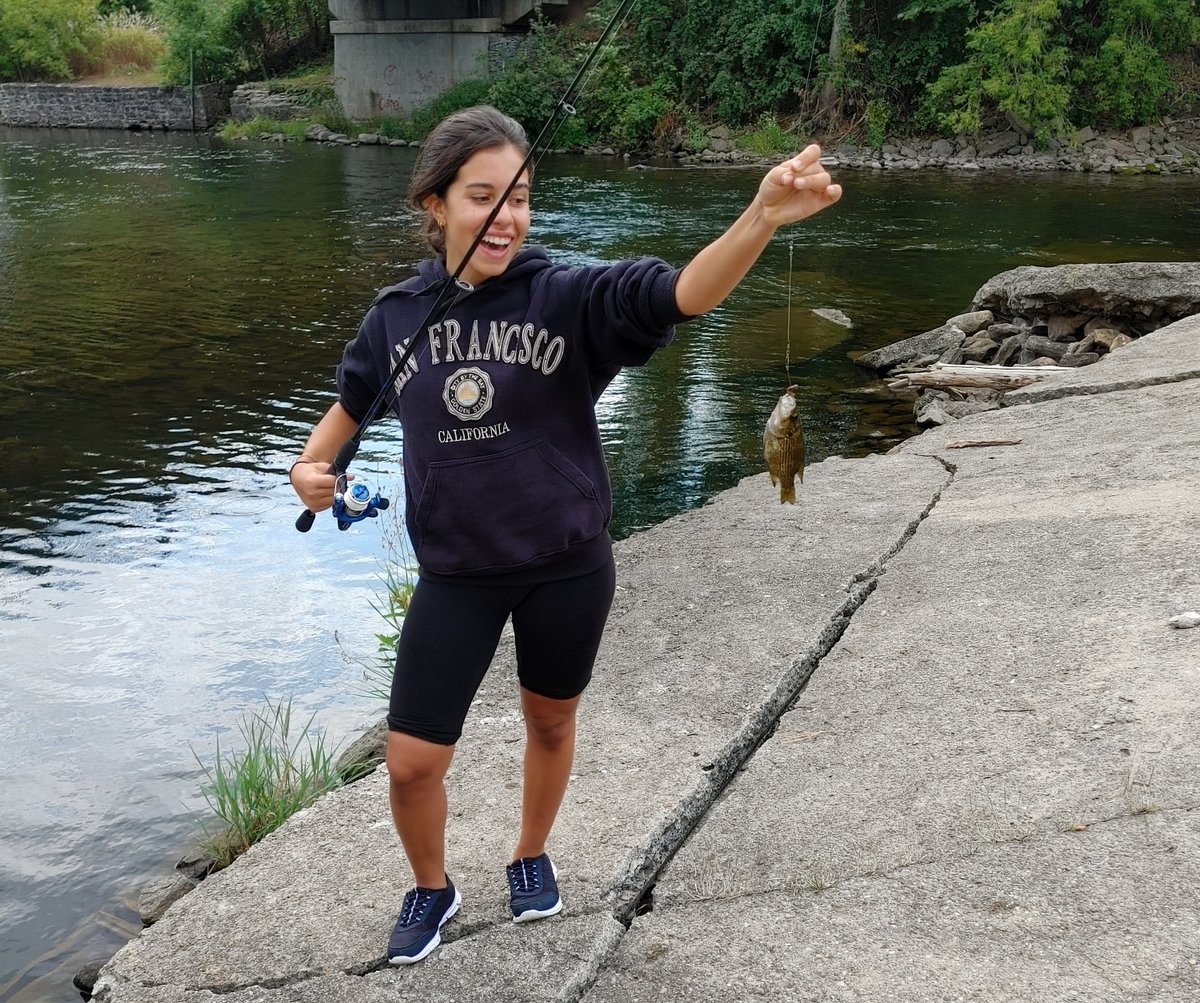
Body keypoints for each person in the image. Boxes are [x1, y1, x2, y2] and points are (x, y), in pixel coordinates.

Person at [288, 104, 842, 965]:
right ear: (435, 205)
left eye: (520, 196)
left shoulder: (568, 296)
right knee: (408, 761)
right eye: (483, 196)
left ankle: (529, 852)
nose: (506, 215)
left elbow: (682, 293)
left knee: (550, 721)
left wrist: (760, 216)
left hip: (567, 567)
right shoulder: (395, 317)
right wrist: (309, 474)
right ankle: (432, 886)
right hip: (457, 574)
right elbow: (338, 425)